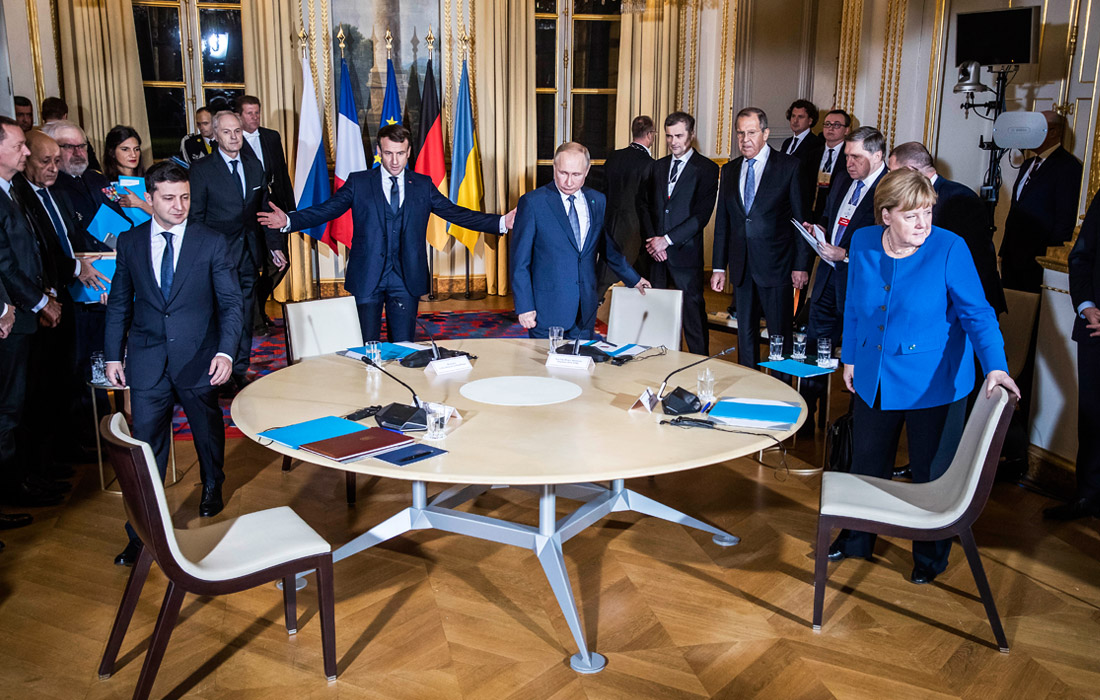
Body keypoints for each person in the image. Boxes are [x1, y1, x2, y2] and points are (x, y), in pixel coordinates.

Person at [830, 168, 1020, 584]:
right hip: (874, 375)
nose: (923, 224)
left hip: (935, 382)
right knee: (866, 462)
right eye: (911, 215)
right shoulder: (862, 241)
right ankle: (857, 538)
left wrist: (996, 366)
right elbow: (856, 307)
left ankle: (930, 556)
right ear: (886, 215)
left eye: (928, 213)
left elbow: (978, 314)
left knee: (930, 472)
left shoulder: (950, 248)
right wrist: (851, 359)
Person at [258, 123, 515, 341]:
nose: (394, 161)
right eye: (389, 153)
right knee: (366, 347)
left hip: (406, 278)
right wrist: (289, 220)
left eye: (400, 153)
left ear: (408, 152)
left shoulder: (422, 185)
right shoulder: (359, 182)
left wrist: (501, 222)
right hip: (367, 276)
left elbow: (456, 213)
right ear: (379, 151)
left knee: (403, 347)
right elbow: (327, 210)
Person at [104, 161, 243, 565]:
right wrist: (113, 354)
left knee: (206, 431)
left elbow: (231, 304)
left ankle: (212, 484)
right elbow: (119, 303)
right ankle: (141, 532)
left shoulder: (210, 242)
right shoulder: (130, 242)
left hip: (200, 357)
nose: (179, 206)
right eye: (168, 198)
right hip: (147, 359)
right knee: (146, 447)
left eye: (184, 197)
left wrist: (225, 352)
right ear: (149, 198)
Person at [17, 130, 109, 473]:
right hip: (39, 302)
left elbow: (67, 240)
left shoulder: (56, 192)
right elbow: (30, 255)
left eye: (58, 160)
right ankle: (40, 463)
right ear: (27, 159)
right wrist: (71, 272)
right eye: (47, 161)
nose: (54, 167)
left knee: (66, 376)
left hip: (67, 296)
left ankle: (64, 447)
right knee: (43, 386)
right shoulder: (20, 197)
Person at [797, 126, 887, 430]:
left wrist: (845, 254)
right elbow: (830, 215)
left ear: (878, 156)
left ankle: (853, 425)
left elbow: (887, 244)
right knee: (815, 349)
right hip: (827, 278)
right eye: (847, 156)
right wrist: (818, 229)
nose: (849, 162)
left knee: (859, 351)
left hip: (862, 285)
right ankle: (806, 417)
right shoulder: (842, 179)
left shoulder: (889, 188)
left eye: (856, 157)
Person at [512, 142, 651, 339]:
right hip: (547, 309)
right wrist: (525, 306)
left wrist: (633, 278)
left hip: (585, 308)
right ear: (554, 167)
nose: (568, 181)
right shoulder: (533, 202)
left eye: (576, 174)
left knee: (583, 358)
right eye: (563, 173)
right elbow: (520, 261)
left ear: (587, 171)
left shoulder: (597, 200)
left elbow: (606, 246)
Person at [0, 116, 66, 510]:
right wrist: (41, 302)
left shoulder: (12, 190)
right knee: (8, 410)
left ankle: (25, 478)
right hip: (10, 321)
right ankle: (10, 492)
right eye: (19, 146)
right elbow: (4, 264)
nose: (26, 152)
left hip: (26, 313)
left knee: (24, 404)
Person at [711, 107, 808, 369]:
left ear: (765, 133)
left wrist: (801, 265)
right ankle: (748, 384)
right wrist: (718, 267)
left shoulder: (789, 167)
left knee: (779, 336)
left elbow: (801, 222)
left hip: (777, 266)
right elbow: (723, 223)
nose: (745, 139)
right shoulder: (730, 170)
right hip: (742, 268)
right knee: (745, 334)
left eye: (751, 132)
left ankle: (781, 387)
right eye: (740, 133)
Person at [188, 110, 270, 390]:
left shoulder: (254, 165)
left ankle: (239, 369)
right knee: (219, 314)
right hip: (216, 257)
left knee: (244, 314)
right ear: (215, 135)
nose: (234, 137)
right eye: (226, 132)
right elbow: (195, 218)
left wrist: (273, 247)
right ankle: (217, 372)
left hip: (248, 253)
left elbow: (262, 210)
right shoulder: (202, 170)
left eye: (237, 131)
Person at [888, 142, 1006, 315]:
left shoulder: (960, 198)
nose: (890, 179)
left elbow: (973, 258)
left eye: (892, 172)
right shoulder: (914, 197)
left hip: (967, 303)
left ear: (909, 170)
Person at [641, 112, 719, 355]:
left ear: (691, 135)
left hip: (686, 256)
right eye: (668, 136)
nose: (673, 141)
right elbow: (645, 206)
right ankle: (659, 364)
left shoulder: (706, 168)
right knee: (657, 317)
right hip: (656, 257)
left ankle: (699, 364)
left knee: (692, 317)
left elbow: (701, 216)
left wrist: (666, 241)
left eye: (678, 135)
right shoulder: (657, 166)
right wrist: (654, 242)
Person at [1044, 190, 1100, 520]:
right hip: (1094, 329)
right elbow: (1080, 257)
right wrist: (1087, 306)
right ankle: (1088, 497)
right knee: (1092, 418)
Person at [999, 111, 1083, 293]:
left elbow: (1064, 220)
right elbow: (1015, 210)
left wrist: (1047, 258)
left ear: (1053, 132)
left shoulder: (1069, 168)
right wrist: (1004, 251)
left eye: (1036, 128)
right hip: (1012, 258)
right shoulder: (1027, 164)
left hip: (1037, 262)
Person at [235, 95, 294, 334]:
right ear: (239, 116)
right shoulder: (234, 140)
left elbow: (281, 173)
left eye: (257, 112)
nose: (255, 117)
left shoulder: (271, 137)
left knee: (280, 264)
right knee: (253, 265)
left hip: (275, 208)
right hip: (250, 212)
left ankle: (256, 306)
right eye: (249, 113)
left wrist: (291, 210)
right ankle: (255, 318)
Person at [597, 115, 654, 300]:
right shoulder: (650, 164)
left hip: (609, 221)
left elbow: (603, 189)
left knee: (604, 274)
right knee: (642, 275)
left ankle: (593, 305)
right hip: (635, 228)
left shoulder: (614, 157)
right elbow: (650, 202)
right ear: (650, 135)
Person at [780, 99, 825, 214]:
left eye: (800, 117)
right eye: (793, 116)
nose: (795, 121)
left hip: (802, 202)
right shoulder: (787, 143)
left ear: (810, 120)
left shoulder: (817, 144)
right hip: (783, 201)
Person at [102, 125, 152, 217]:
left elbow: (168, 217)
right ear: (112, 152)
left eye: (136, 149)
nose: (133, 155)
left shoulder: (151, 180)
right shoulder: (105, 184)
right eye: (125, 149)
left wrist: (141, 204)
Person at [40, 97, 100, 171]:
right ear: (65, 116)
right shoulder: (77, 137)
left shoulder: (36, 139)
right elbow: (94, 167)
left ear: (42, 116)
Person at [813, 109, 851, 223]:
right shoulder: (812, 154)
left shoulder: (850, 156)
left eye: (837, 125)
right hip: (812, 211)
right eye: (827, 124)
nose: (831, 128)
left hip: (835, 212)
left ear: (846, 130)